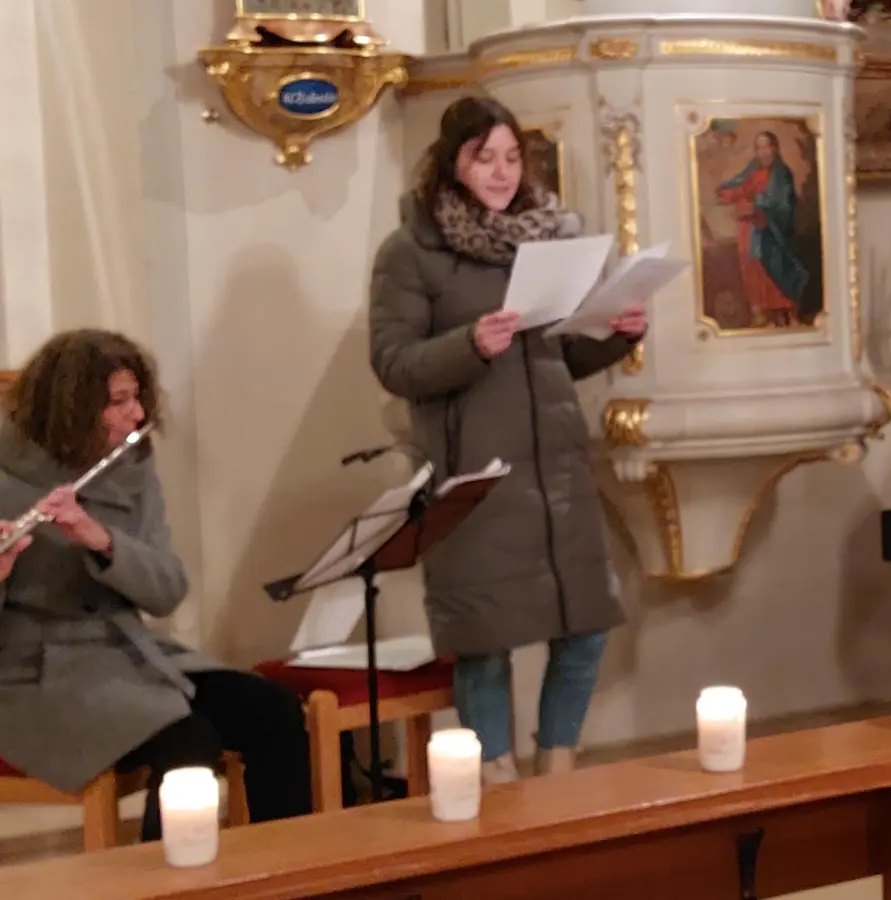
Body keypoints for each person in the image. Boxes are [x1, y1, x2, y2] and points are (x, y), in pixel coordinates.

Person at [368, 96, 647, 785]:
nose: (500, 171)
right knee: (484, 644)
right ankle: (498, 791)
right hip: (478, 480)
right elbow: (395, 363)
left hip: (557, 475)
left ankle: (557, 781)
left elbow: (557, 359)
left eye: (511, 157)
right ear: (452, 162)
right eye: (483, 157)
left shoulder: (546, 237)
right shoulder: (413, 251)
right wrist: (471, 343)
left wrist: (617, 335)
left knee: (584, 629)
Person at [0, 329, 313, 840]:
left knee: (271, 711)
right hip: (35, 675)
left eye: (137, 398)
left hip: (127, 650)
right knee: (188, 744)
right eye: (119, 401)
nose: (138, 415)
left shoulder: (130, 467)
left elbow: (166, 590)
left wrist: (103, 542)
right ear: (71, 408)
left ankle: (286, 875)